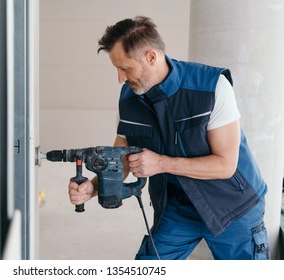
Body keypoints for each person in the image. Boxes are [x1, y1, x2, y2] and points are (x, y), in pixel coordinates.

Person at [68, 16, 269, 260]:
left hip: (233, 207)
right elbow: (120, 159)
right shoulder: (129, 99)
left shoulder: (211, 87)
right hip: (178, 209)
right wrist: (92, 188)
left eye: (125, 68)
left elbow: (225, 165)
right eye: (117, 69)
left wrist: (161, 163)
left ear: (151, 57)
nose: (120, 78)